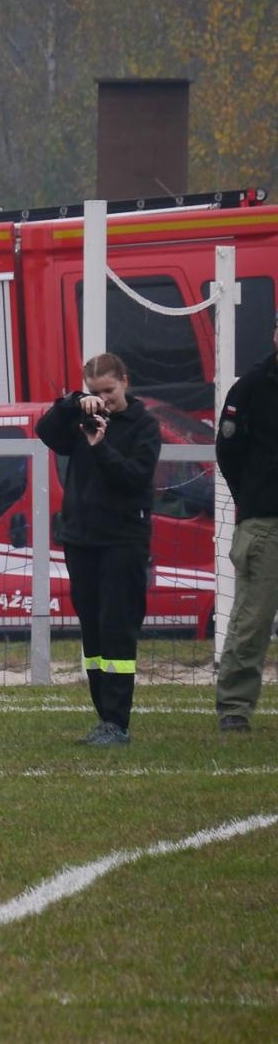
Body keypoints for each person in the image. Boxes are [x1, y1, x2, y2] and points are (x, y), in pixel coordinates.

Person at [35, 352, 160, 746]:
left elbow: (133, 478)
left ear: (125, 381)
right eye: (95, 392)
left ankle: (117, 722)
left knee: (117, 630)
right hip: (82, 539)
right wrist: (74, 403)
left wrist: (101, 445)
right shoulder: (83, 415)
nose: (102, 399)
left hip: (123, 541)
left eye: (108, 391)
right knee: (92, 631)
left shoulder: (144, 425)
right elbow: (46, 432)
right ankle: (102, 717)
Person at [214, 314, 278, 733]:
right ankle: (235, 707)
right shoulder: (252, 387)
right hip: (265, 522)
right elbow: (228, 451)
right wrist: (252, 500)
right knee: (252, 619)